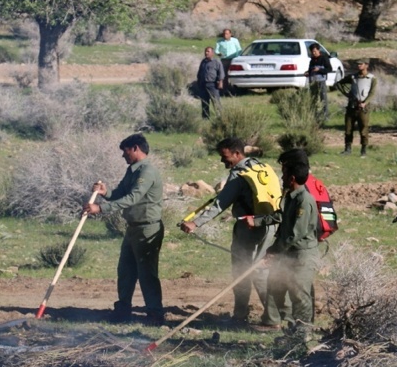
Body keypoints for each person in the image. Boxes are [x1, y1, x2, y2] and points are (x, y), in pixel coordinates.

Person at [180, 138, 279, 326]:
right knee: (261, 270)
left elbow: (220, 203)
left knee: (243, 270)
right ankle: (273, 316)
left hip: (248, 228)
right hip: (269, 226)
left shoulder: (239, 174)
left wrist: (196, 223)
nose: (222, 161)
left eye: (225, 157)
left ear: (237, 154)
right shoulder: (260, 167)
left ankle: (240, 315)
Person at [85, 134, 165, 324]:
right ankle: (122, 311)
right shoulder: (132, 170)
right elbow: (120, 193)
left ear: (135, 148)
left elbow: (133, 198)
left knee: (147, 274)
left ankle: (155, 314)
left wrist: (101, 208)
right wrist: (106, 193)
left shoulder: (147, 171)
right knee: (126, 271)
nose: (123, 156)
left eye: (125, 151)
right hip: (133, 229)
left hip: (147, 229)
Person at [251, 151, 320, 336]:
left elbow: (294, 234)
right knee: (275, 286)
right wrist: (257, 221)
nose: (281, 178)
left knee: (299, 295)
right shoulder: (291, 196)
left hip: (301, 255)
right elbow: (281, 217)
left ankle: (303, 334)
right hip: (287, 252)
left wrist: (274, 250)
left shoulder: (304, 200)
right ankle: (287, 326)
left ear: (291, 178)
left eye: (283, 175)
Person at [335, 59, 376, 157]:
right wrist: (347, 94)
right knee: (348, 129)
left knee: (363, 129)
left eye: (361, 64)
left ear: (366, 65)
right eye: (357, 64)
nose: (359, 66)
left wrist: (365, 103)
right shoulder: (353, 77)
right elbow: (339, 83)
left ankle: (363, 150)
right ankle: (347, 149)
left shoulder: (372, 78)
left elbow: (372, 93)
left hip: (363, 108)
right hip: (351, 106)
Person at [305, 43, 332, 123]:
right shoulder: (312, 60)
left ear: (318, 50)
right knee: (313, 99)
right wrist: (307, 73)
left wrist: (319, 70)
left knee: (323, 99)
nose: (313, 53)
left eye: (315, 51)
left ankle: (325, 116)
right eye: (312, 52)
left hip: (321, 81)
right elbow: (310, 70)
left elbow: (329, 69)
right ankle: (314, 116)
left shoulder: (324, 58)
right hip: (313, 81)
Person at [197, 46, 224, 119]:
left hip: (213, 85)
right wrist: (199, 82)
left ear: (212, 53)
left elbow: (221, 72)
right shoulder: (203, 62)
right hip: (203, 85)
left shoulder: (216, 61)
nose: (206, 53)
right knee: (204, 102)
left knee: (216, 102)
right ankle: (205, 118)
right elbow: (199, 73)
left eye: (208, 51)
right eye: (205, 51)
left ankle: (220, 117)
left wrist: (220, 81)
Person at [214, 28, 242, 93]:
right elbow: (216, 50)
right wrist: (219, 53)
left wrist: (237, 57)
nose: (225, 35)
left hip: (233, 59)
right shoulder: (219, 41)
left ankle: (236, 87)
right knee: (224, 74)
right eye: (224, 34)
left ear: (230, 34)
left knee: (234, 73)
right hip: (224, 60)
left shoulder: (235, 40)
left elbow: (239, 49)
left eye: (227, 34)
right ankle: (225, 89)